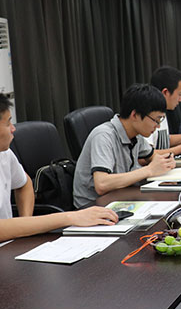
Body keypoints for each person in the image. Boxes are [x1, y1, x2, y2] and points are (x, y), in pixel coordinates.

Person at [0, 94, 118, 241]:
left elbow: (24, 184)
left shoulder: (5, 154)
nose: (13, 129)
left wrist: (26, 222)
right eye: (8, 124)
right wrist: (70, 217)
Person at [73, 84, 177, 208]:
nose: (158, 126)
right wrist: (149, 170)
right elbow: (102, 184)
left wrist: (165, 162)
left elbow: (152, 156)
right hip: (93, 205)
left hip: (120, 196)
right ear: (135, 115)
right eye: (156, 120)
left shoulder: (136, 135)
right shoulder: (103, 136)